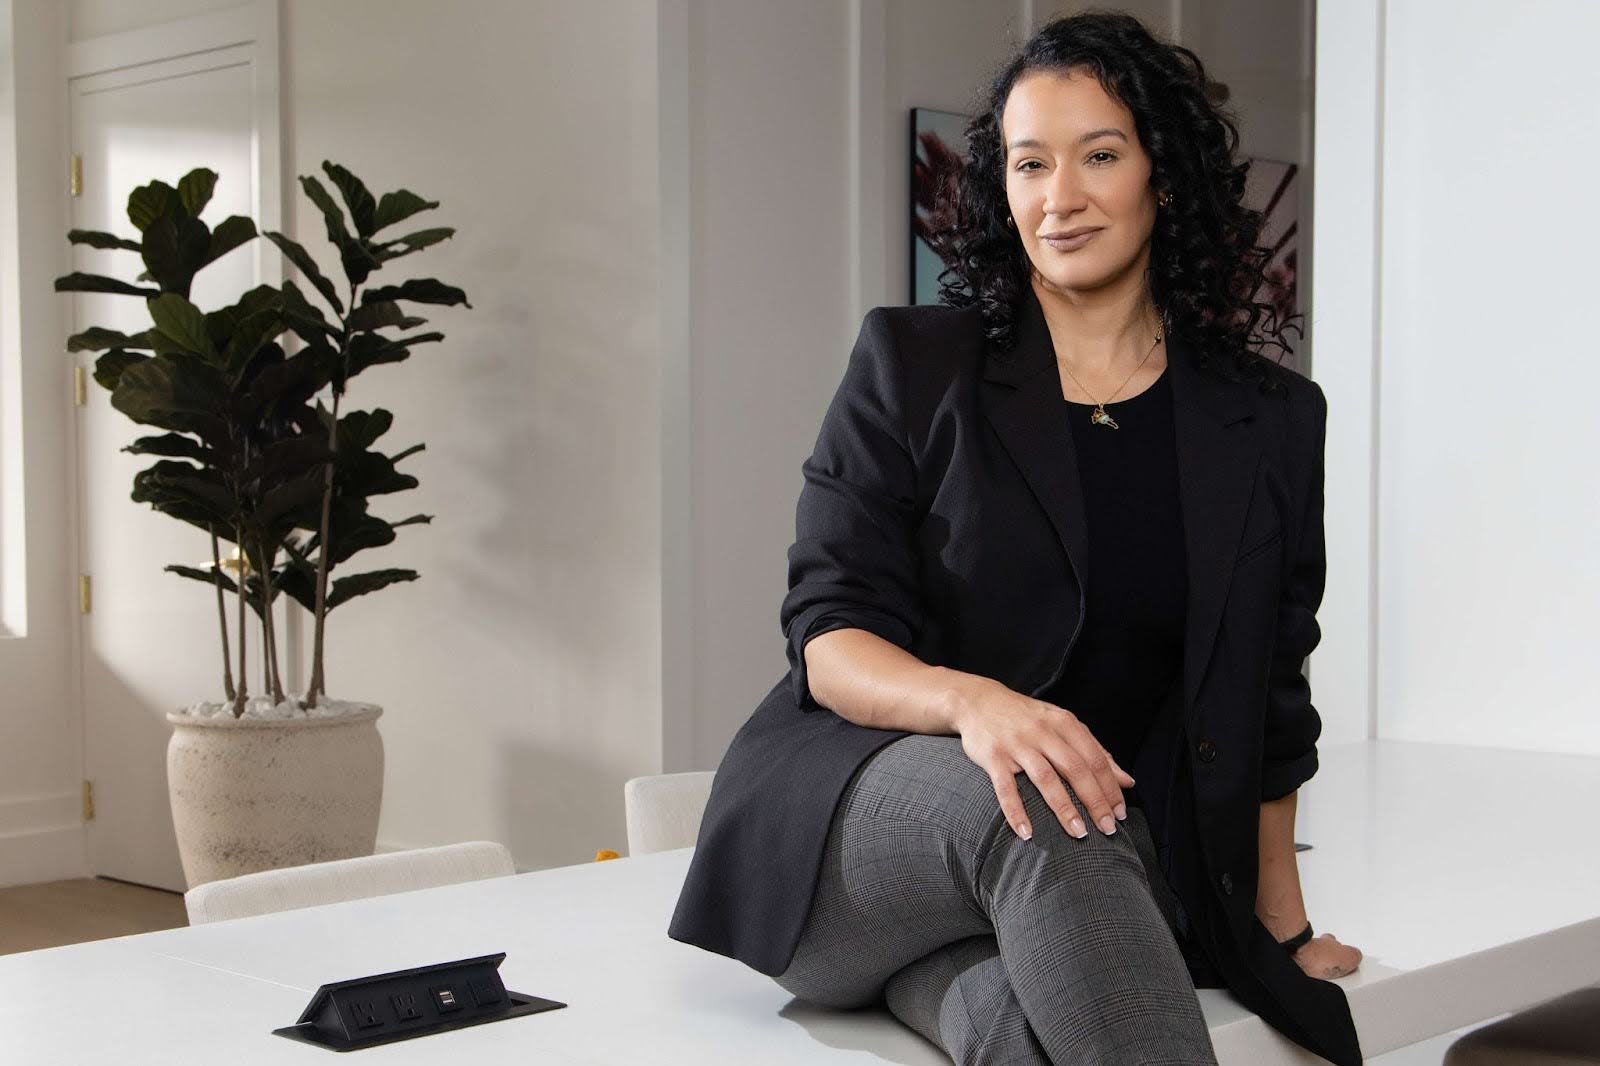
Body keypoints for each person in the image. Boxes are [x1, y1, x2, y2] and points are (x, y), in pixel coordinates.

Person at [669, 10, 1364, 1065]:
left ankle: (949, 973)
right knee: (1047, 795)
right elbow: (830, 636)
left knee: (1010, 1019)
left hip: (1080, 876)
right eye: (1031, 163)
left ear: (1164, 176)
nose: (1059, 196)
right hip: (858, 834)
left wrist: (1281, 927)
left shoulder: (1270, 418)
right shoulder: (913, 364)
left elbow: (1273, 683)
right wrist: (977, 705)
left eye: (1100, 155)